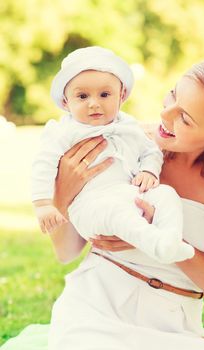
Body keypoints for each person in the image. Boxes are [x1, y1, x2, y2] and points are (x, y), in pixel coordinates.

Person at [46, 57, 204, 350]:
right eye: (173, 94)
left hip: (174, 329)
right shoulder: (126, 145)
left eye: (185, 118)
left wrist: (161, 240)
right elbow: (65, 251)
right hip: (92, 310)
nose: (164, 114)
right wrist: (62, 196)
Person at [31, 46, 194, 264]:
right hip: (91, 205)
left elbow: (150, 150)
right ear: (65, 102)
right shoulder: (63, 132)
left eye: (105, 94)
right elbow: (43, 164)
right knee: (115, 213)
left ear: (122, 96)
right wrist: (43, 204)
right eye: (82, 96)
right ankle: (157, 243)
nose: (94, 103)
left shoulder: (129, 126)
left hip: (130, 193)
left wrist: (148, 170)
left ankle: (170, 239)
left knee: (166, 194)